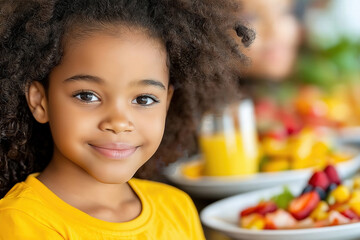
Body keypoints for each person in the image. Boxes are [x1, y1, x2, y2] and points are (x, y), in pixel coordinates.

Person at [0, 0, 253, 239]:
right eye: (88, 96)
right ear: (40, 101)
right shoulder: (21, 222)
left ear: (167, 103)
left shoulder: (177, 208)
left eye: (143, 100)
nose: (119, 122)